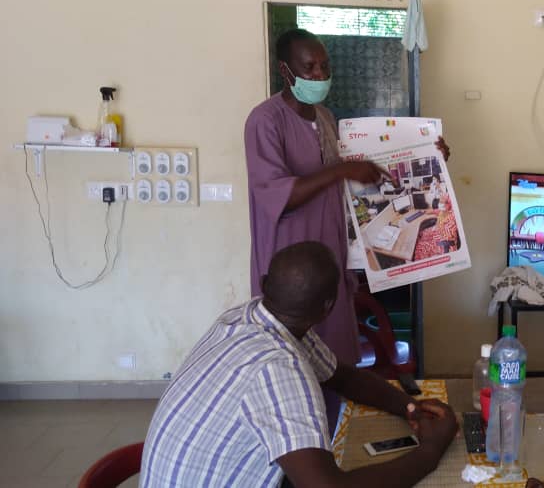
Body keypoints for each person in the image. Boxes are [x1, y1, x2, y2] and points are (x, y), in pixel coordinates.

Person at [245, 28, 449, 434]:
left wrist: (430, 156)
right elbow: (278, 195)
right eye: (309, 67)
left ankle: (332, 440)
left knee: (334, 364)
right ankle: (297, 450)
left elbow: (368, 173)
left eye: (324, 66)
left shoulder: (325, 118)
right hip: (290, 268)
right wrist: (341, 170)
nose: (319, 75)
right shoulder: (264, 120)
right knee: (291, 370)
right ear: (285, 71)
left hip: (331, 259)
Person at [141, 241, 458, 487]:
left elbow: (343, 377)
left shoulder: (249, 318)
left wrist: (409, 407)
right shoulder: (279, 369)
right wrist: (429, 452)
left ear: (264, 283)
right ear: (328, 308)